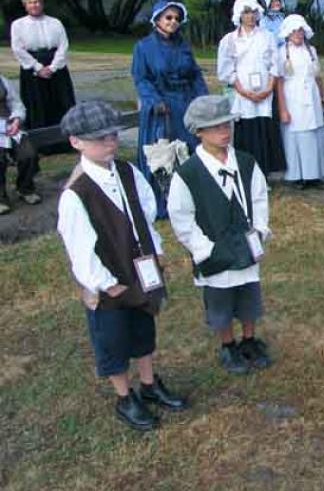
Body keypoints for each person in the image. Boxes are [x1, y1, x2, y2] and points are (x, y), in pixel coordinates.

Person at [57, 101, 187, 431]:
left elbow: (144, 215)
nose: (110, 142)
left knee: (143, 326)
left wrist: (154, 253)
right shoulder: (77, 193)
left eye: (113, 135)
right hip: (108, 280)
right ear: (76, 142)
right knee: (113, 338)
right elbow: (79, 248)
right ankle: (124, 396)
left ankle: (148, 384)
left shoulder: (128, 171)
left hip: (139, 267)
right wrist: (105, 283)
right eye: (100, 138)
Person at [167, 95, 273, 375]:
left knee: (249, 294)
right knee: (220, 300)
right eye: (215, 128)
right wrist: (204, 248)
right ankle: (228, 345)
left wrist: (259, 230)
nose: (224, 132)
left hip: (246, 243)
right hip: (213, 249)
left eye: (227, 125)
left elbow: (260, 198)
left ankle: (249, 339)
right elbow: (181, 217)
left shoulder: (247, 163)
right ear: (199, 132)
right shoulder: (188, 174)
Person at [132, 0, 209, 217]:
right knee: (162, 155)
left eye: (177, 18)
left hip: (185, 103)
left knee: (190, 150)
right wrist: (154, 100)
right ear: (157, 20)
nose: (173, 22)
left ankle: (191, 199)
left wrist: (201, 99)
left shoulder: (183, 45)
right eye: (168, 17)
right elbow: (141, 78)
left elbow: (195, 74)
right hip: (160, 108)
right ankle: (161, 202)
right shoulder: (143, 47)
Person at [216, 0, 286, 175]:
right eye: (246, 12)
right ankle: (247, 173)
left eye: (253, 12)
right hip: (243, 94)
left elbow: (275, 65)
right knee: (246, 132)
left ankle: (264, 173)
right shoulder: (230, 40)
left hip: (264, 92)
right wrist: (244, 91)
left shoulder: (267, 37)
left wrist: (269, 88)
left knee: (264, 131)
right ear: (239, 15)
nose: (250, 16)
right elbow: (226, 70)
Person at [10, 0, 76, 152]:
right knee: (37, 105)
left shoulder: (55, 22)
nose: (34, 5)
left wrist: (53, 67)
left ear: (42, 3)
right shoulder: (18, 25)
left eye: (37, 1)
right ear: (25, 5)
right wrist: (38, 67)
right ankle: (41, 145)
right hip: (32, 67)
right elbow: (18, 49)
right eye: (31, 2)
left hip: (56, 67)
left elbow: (63, 45)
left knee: (61, 103)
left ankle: (65, 143)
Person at [274, 14, 324, 189]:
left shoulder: (311, 51)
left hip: (312, 96)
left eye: (300, 30)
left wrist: (323, 99)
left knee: (315, 134)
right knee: (297, 136)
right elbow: (279, 82)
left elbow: (318, 77)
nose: (298, 34)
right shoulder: (282, 52)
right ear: (287, 33)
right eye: (294, 31)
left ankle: (317, 174)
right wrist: (283, 109)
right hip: (293, 97)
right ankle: (299, 175)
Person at [0, 73, 41, 213]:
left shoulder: (3, 80)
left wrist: (17, 120)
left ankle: (25, 188)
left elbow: (16, 103)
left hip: (8, 126)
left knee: (29, 154)